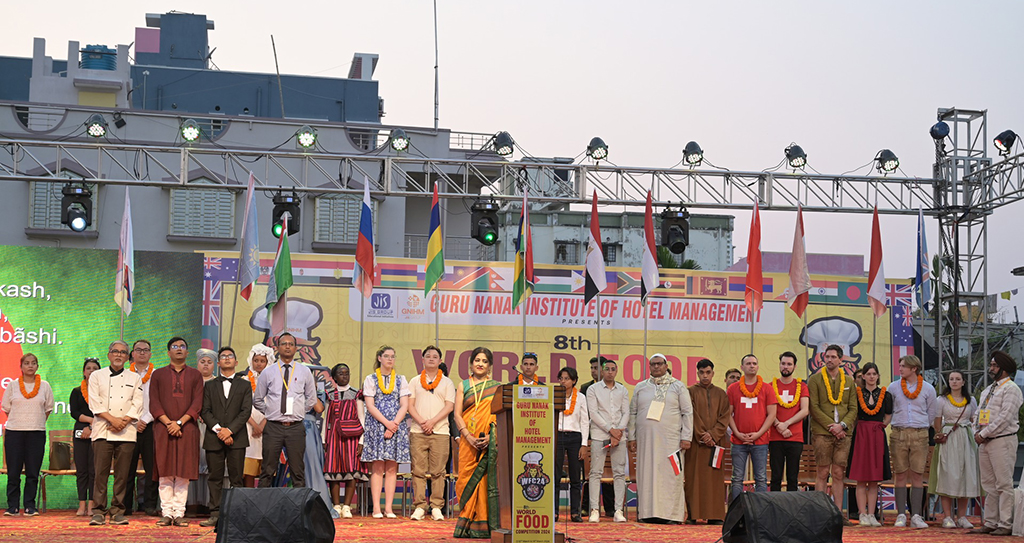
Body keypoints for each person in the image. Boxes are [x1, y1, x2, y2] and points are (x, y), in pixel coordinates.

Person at [628, 353, 693, 524]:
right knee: (646, 475)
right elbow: (633, 413)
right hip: (645, 441)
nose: (656, 367)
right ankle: (647, 514)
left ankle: (671, 515)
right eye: (653, 364)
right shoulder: (641, 387)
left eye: (659, 363)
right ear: (649, 367)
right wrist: (632, 437)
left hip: (671, 442)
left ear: (666, 365)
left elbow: (687, 412)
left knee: (670, 476)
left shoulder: (678, 386)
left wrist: (686, 437)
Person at [88, 340, 145, 526]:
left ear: (128, 357)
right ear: (108, 355)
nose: (118, 355)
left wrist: (123, 422)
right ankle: (98, 511)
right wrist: (113, 420)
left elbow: (138, 403)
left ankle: (118, 511)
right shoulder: (97, 375)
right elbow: (94, 403)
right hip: (103, 430)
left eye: (122, 352)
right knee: (100, 474)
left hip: (126, 432)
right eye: (115, 351)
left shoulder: (134, 378)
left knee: (123, 475)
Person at [150, 337, 204, 527]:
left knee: (183, 472)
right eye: (175, 346)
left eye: (182, 346)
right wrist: (168, 423)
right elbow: (154, 402)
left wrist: (179, 423)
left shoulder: (195, 375)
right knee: (165, 472)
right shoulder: (158, 374)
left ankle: (179, 513)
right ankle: (166, 513)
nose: (179, 349)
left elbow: (197, 403)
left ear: (187, 352)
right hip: (162, 428)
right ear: (168, 352)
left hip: (187, 428)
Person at [253, 332, 317, 488]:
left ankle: (299, 504)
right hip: (273, 426)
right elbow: (257, 399)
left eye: (290, 344)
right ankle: (263, 503)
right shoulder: (268, 372)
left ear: (295, 348)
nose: (287, 347)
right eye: (284, 344)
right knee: (267, 470)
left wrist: (299, 411)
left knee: (298, 470)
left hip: (295, 427)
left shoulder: (304, 371)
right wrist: (270, 412)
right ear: (277, 348)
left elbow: (312, 399)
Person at [969, 351, 1022, 536]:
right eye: (991, 365)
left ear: (1004, 369)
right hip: (984, 442)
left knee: (1003, 484)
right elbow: (977, 415)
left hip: (1002, 440)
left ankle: (1005, 523)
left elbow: (1005, 418)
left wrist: (983, 433)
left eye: (994, 365)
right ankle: (991, 522)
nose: (990, 368)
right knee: (988, 484)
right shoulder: (988, 390)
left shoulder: (1011, 389)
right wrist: (976, 432)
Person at [198, 346, 252, 527]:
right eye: (223, 356)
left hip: (237, 437)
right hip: (214, 437)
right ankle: (215, 514)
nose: (227, 358)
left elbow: (245, 411)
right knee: (215, 477)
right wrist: (219, 430)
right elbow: (205, 411)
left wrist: (230, 431)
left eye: (230, 356)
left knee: (237, 478)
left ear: (236, 362)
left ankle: (236, 515)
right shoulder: (209, 385)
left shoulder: (245, 385)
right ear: (218, 363)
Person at [452, 347, 501, 538]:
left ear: (490, 366)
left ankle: (483, 525)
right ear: (471, 364)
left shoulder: (497, 387)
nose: (480, 364)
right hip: (468, 441)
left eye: (484, 361)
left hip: (489, 441)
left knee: (485, 481)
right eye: (477, 360)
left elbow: (500, 416)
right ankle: (466, 522)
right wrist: (468, 436)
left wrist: (491, 437)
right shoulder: (463, 385)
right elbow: (457, 415)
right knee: (465, 480)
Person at [807, 344, 857, 519]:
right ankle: (820, 513)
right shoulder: (815, 379)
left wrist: (842, 425)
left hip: (844, 433)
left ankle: (837, 514)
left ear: (840, 360)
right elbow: (814, 407)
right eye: (827, 357)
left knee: (838, 473)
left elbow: (853, 408)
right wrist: (833, 427)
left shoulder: (849, 381)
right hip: (822, 432)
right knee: (822, 472)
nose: (829, 360)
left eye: (833, 357)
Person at [361, 345, 411, 518]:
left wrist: (394, 424)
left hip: (396, 425)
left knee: (391, 467)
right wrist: (386, 424)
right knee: (377, 467)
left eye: (393, 356)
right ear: (380, 358)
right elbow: (370, 405)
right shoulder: (371, 379)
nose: (390, 359)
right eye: (387, 356)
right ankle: (376, 507)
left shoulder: (401, 379)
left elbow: (404, 405)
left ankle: (388, 508)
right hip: (377, 425)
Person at [2, 353, 55, 517]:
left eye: (33, 363)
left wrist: (35, 422)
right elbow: (6, 408)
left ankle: (30, 506)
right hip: (14, 433)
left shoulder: (45, 386)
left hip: (36, 433)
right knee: (13, 472)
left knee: (32, 472)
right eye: (26, 363)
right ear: (21, 367)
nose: (30, 366)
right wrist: (20, 421)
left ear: (37, 366)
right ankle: (13, 506)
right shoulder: (12, 385)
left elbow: (48, 408)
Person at [408, 345, 456, 521]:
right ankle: (420, 506)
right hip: (418, 431)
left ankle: (436, 506)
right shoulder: (414, 381)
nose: (431, 359)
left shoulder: (447, 382)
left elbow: (449, 406)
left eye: (435, 357)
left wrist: (432, 422)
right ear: (422, 360)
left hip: (440, 432)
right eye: (428, 356)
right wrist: (423, 422)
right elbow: (410, 405)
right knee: (418, 471)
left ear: (440, 361)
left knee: (438, 472)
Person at [889, 354, 936, 529]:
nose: (900, 369)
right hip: (899, 433)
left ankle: (916, 515)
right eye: (900, 365)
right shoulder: (893, 387)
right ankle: (901, 514)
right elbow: (889, 410)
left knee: (917, 474)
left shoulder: (928, 389)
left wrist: (920, 427)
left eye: (903, 366)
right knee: (900, 474)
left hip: (920, 434)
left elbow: (932, 413)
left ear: (914, 368)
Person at [929, 370, 979, 530]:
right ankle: (947, 516)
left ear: (963, 382)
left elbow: (974, 420)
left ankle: (962, 517)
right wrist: (940, 434)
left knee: (966, 475)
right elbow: (936, 421)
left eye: (958, 379)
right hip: (949, 439)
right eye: (951, 379)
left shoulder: (971, 400)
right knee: (948, 474)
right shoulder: (941, 400)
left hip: (966, 438)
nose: (954, 382)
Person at [684, 358, 730, 525]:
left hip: (716, 444)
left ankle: (715, 515)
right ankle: (693, 515)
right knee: (693, 479)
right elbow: (690, 415)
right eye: (702, 372)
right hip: (696, 444)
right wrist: (703, 435)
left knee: (714, 480)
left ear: (713, 373)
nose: (705, 376)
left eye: (708, 372)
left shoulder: (721, 394)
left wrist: (713, 435)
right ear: (697, 373)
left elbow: (724, 417)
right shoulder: (690, 392)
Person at [846, 362, 892, 527]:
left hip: (876, 434)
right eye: (868, 374)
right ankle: (862, 514)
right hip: (861, 435)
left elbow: (888, 416)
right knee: (861, 478)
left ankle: (872, 514)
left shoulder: (885, 394)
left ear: (878, 376)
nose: (871, 377)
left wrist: (880, 426)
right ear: (863, 376)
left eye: (874, 374)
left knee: (874, 479)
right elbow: (853, 414)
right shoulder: (857, 393)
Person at [726, 354, 777, 500]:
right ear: (742, 367)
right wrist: (737, 433)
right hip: (738, 440)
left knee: (761, 478)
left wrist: (758, 434)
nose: (752, 366)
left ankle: (760, 510)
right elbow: (727, 414)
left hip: (760, 441)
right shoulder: (733, 389)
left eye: (754, 363)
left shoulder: (767, 388)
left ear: (758, 367)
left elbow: (772, 414)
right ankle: (736, 510)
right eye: (748, 363)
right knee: (737, 478)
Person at [586, 358, 629, 524]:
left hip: (619, 436)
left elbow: (626, 413)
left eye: (613, 369)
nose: (610, 372)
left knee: (619, 473)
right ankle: (594, 510)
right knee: (595, 473)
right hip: (599, 434)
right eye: (607, 369)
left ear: (616, 371)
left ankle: (618, 510)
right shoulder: (593, 389)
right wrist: (611, 430)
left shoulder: (622, 390)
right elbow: (593, 413)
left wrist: (618, 432)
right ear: (602, 371)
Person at [324, 363, 369, 519]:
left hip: (352, 436)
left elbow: (362, 418)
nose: (345, 376)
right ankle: (336, 505)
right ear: (334, 377)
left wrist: (362, 441)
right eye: (341, 374)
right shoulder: (329, 394)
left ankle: (347, 506)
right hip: (334, 437)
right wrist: (324, 439)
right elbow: (326, 419)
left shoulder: (356, 394)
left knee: (352, 470)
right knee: (333, 469)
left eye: (347, 373)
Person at [123, 339, 159, 517]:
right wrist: (134, 421)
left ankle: (150, 505)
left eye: (146, 350)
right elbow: (122, 400)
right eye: (138, 350)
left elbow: (158, 400)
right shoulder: (124, 374)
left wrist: (145, 419)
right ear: (133, 354)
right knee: (126, 468)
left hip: (151, 425)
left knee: (152, 468)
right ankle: (125, 505)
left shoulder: (157, 375)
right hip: (128, 425)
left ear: (150, 354)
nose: (142, 352)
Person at [768, 351, 809, 493]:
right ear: (779, 365)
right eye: (783, 363)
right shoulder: (770, 386)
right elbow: (767, 410)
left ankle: (792, 506)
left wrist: (786, 424)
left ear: (794, 366)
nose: (786, 367)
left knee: (792, 477)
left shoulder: (802, 386)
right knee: (775, 477)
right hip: (775, 437)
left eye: (789, 364)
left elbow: (805, 410)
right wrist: (778, 425)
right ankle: (774, 506)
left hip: (795, 437)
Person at [554, 366, 590, 522]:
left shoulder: (580, 397)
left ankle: (575, 512)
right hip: (558, 436)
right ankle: (554, 512)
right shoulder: (555, 394)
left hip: (575, 437)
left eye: (566, 379)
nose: (563, 381)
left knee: (575, 477)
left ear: (574, 381)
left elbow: (585, 421)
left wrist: (584, 444)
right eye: (561, 378)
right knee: (555, 476)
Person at [580, 356, 613, 518]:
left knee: (608, 470)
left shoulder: (617, 387)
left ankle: (610, 507)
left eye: (596, 368)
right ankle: (587, 506)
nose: (593, 371)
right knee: (591, 471)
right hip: (591, 434)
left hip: (610, 433)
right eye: (592, 368)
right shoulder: (585, 388)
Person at [186, 349, 216, 516]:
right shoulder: (190, 381)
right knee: (192, 460)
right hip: (192, 424)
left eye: (209, 362)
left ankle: (208, 503)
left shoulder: (218, 383)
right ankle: (191, 503)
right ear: (196, 363)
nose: (205, 365)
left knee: (210, 462)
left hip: (212, 427)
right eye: (202, 362)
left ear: (214, 365)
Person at [70, 357, 101, 517]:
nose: (91, 371)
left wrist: (92, 426)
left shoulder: (103, 391)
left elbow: (104, 411)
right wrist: (90, 421)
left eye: (95, 369)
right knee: (81, 470)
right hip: (80, 432)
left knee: (94, 470)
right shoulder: (76, 391)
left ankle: (92, 505)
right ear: (84, 372)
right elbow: (74, 412)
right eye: (88, 368)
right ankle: (81, 504)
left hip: (99, 431)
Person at [242, 344, 273, 488]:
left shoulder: (273, 380)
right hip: (248, 425)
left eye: (262, 361)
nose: (259, 364)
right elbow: (240, 406)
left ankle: (263, 497)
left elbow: (275, 405)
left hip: (268, 424)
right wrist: (255, 425)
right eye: (256, 360)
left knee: (266, 466)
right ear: (251, 361)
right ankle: (248, 496)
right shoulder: (244, 380)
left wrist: (262, 425)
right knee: (248, 468)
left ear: (268, 362)